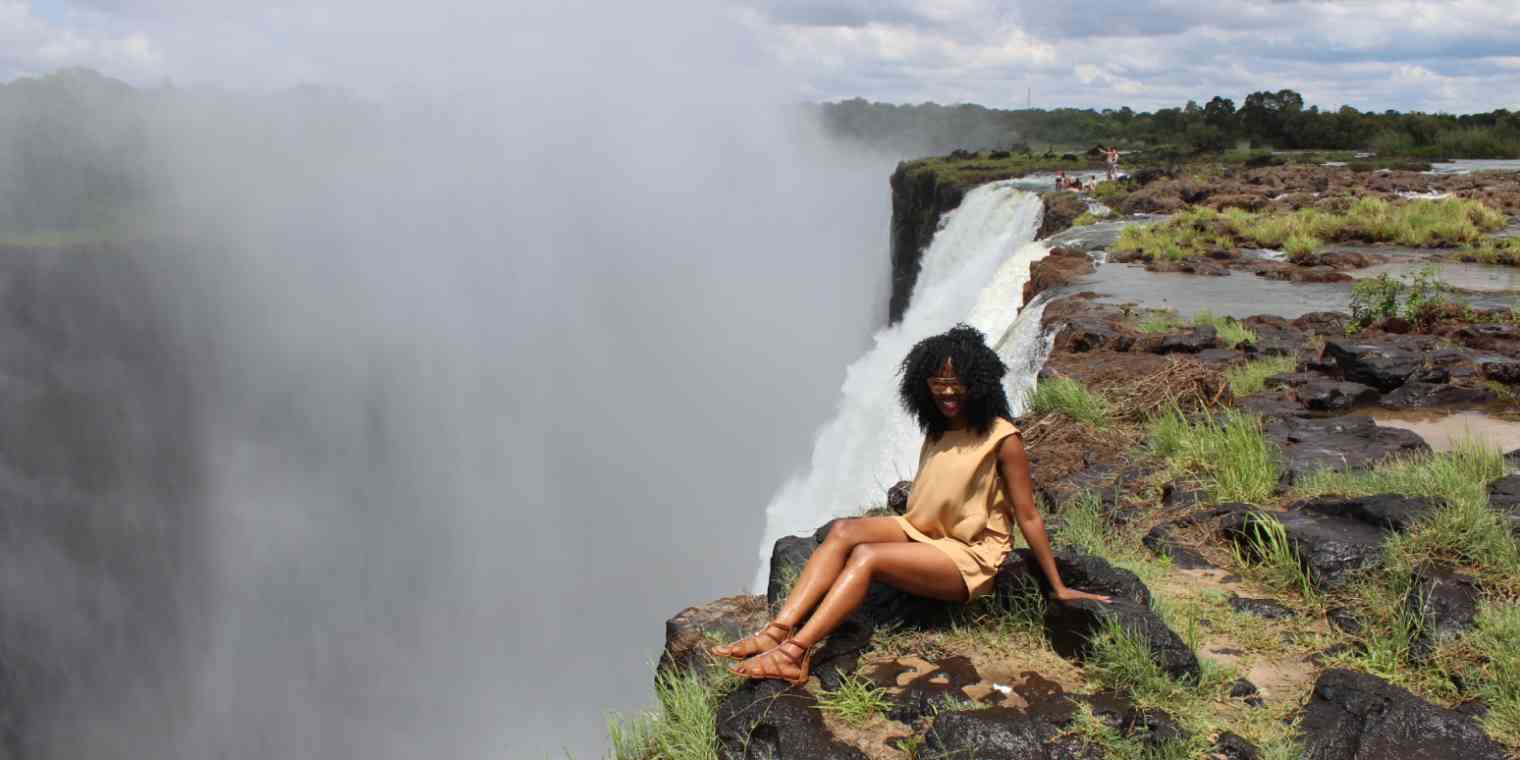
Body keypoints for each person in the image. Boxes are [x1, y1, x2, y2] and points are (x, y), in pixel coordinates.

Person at [710, 325, 1112, 685]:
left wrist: (1058, 586)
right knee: (843, 531)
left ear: (979, 382)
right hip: (924, 532)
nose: (948, 392)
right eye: (939, 382)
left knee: (866, 556)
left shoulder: (1003, 438)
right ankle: (778, 630)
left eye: (958, 383)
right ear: (924, 384)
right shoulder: (939, 429)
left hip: (968, 557)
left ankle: (795, 654)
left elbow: (1027, 515)